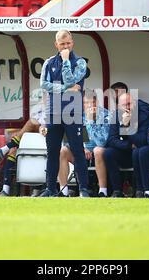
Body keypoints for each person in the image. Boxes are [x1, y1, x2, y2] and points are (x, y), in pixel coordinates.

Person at [39, 30, 90, 197]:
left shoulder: (80, 62)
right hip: (53, 112)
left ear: (72, 42)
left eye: (68, 43)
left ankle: (83, 189)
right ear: (56, 45)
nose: (65, 46)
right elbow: (44, 85)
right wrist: (64, 89)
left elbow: (71, 81)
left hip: (73, 111)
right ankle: (50, 189)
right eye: (62, 44)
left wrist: (67, 60)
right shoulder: (48, 62)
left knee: (77, 150)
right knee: (52, 151)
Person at [0, 98, 47, 196]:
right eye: (45, 95)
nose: (45, 98)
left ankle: (3, 150)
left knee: (32, 122)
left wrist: (42, 127)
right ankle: (5, 190)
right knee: (13, 150)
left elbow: (45, 125)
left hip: (47, 141)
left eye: (47, 95)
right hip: (35, 140)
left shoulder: (57, 107)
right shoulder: (41, 109)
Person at [57, 90, 111, 197]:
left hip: (100, 152)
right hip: (81, 151)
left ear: (96, 102)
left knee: (97, 150)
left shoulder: (106, 115)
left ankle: (102, 191)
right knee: (63, 151)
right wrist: (82, 148)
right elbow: (67, 140)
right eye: (85, 103)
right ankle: (63, 191)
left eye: (91, 102)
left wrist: (91, 121)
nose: (89, 106)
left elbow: (102, 142)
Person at [104, 92, 149, 197]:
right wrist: (128, 145)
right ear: (118, 106)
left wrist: (127, 126)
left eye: (129, 103)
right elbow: (111, 140)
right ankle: (117, 190)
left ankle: (139, 190)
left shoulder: (144, 114)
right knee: (108, 153)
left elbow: (142, 141)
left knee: (137, 151)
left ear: (134, 103)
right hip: (126, 151)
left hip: (141, 154)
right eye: (124, 105)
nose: (127, 107)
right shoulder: (116, 115)